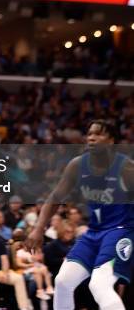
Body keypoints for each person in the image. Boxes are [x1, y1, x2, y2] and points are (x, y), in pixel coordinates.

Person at [26, 120, 134, 310]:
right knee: (62, 282)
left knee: (99, 285)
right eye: (89, 133)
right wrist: (38, 229)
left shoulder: (125, 168)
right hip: (94, 233)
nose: (91, 138)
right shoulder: (77, 165)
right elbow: (55, 197)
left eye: (99, 134)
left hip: (120, 231)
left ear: (111, 141)